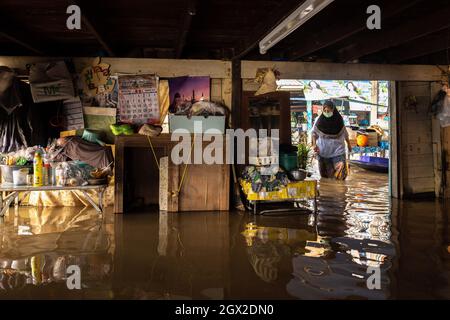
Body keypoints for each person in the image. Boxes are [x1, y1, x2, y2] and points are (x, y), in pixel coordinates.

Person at [312, 100, 352, 180]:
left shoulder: (339, 121)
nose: (326, 113)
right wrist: (314, 145)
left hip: (338, 152)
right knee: (325, 178)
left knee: (340, 179)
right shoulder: (319, 121)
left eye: (328, 111)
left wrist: (349, 144)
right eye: (325, 111)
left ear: (333, 110)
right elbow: (313, 134)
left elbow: (345, 133)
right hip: (323, 153)